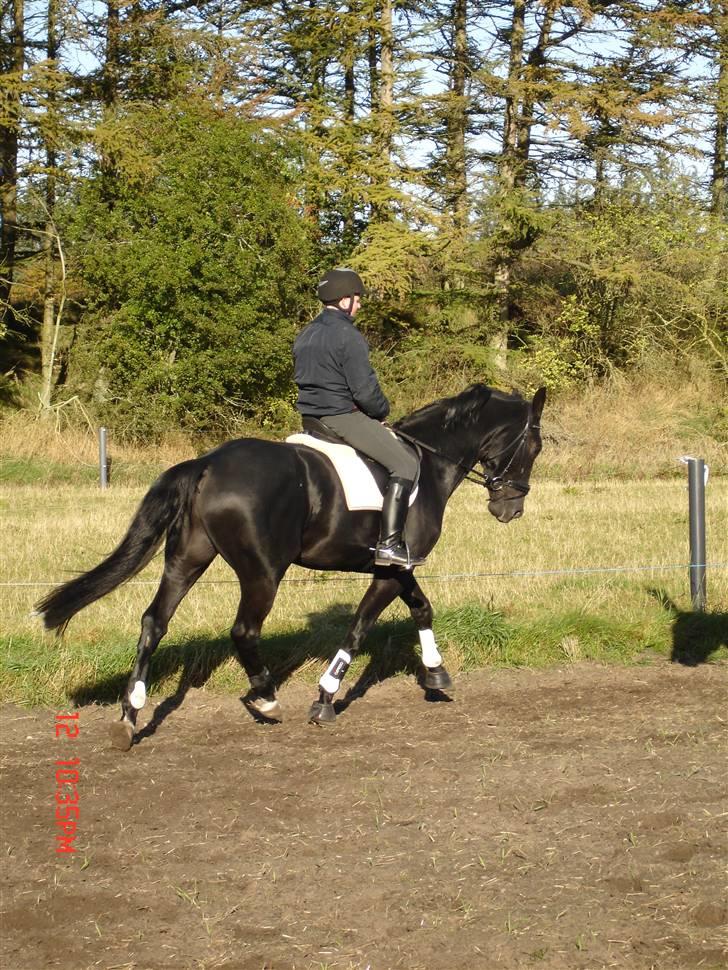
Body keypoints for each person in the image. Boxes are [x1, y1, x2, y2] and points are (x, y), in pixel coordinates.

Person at [293, 267, 424, 568]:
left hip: (311, 419)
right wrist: (380, 412)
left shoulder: (306, 333)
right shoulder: (347, 335)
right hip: (342, 418)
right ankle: (390, 544)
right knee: (405, 462)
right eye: (357, 298)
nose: (360, 304)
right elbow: (365, 391)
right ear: (343, 300)